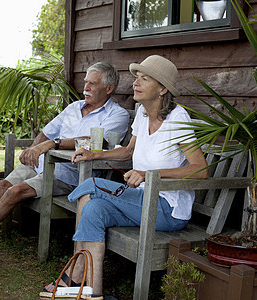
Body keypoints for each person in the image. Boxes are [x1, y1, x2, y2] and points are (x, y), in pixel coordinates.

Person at [41, 55, 209, 298]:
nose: (135, 83)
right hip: (141, 202)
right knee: (93, 209)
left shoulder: (177, 118)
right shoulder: (142, 113)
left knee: (92, 185)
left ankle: (75, 272)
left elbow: (200, 169)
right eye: (136, 78)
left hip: (168, 209)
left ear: (162, 88)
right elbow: (128, 152)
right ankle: (93, 292)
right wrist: (93, 154)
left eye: (144, 78)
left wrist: (148, 174)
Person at [0, 62, 131, 270]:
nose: (86, 87)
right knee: (1, 187)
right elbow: (46, 132)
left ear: (109, 88)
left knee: (15, 191)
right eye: (86, 82)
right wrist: (32, 151)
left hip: (69, 176)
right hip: (42, 165)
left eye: (92, 84)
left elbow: (95, 141)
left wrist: (52, 144)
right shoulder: (73, 108)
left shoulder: (117, 115)